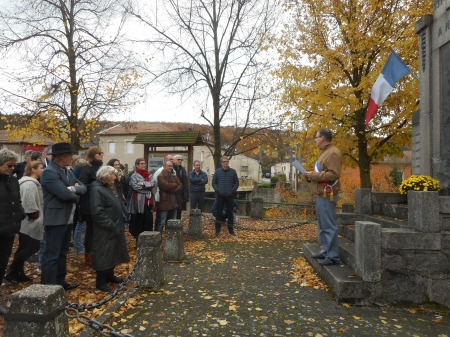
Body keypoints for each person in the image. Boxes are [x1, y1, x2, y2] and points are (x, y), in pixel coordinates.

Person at [40, 142, 86, 290]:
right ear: (61, 156)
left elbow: (83, 187)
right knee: (51, 254)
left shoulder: (67, 171)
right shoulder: (49, 172)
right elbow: (64, 195)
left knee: (62, 252)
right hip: (55, 219)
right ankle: (48, 286)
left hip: (68, 218)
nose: (72, 157)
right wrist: (74, 192)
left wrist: (72, 188)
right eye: (69, 155)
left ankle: (60, 282)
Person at [303, 128, 342, 266]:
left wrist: (313, 175)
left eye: (316, 137)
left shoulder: (333, 153)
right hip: (320, 193)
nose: (315, 139)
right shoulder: (325, 153)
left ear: (323, 138)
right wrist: (310, 177)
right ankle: (326, 251)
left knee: (328, 226)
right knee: (323, 226)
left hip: (327, 194)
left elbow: (333, 174)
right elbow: (323, 174)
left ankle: (333, 256)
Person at [90, 166, 130, 292]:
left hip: (114, 226)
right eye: (113, 175)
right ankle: (100, 281)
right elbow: (97, 212)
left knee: (113, 251)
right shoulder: (97, 190)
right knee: (103, 252)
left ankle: (110, 275)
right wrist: (111, 225)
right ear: (106, 176)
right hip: (105, 228)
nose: (116, 177)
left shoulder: (110, 187)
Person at [5, 161, 44, 284]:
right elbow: (29, 203)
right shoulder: (29, 184)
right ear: (33, 169)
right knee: (33, 246)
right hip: (28, 222)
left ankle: (19, 272)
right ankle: (11, 272)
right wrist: (36, 218)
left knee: (23, 247)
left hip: (27, 221)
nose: (43, 170)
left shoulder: (30, 183)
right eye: (41, 168)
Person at [0, 150, 24, 287]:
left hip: (9, 230)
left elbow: (17, 201)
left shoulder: (13, 180)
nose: (12, 168)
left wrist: (20, 214)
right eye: (9, 165)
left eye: (14, 166)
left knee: (2, 263)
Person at [78, 146, 104, 266]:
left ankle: (98, 252)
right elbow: (82, 185)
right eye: (99, 153)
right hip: (89, 204)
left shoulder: (101, 167)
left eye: (102, 153)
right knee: (91, 230)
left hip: (99, 202)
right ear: (92, 155)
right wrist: (96, 185)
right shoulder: (86, 169)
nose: (101, 155)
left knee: (99, 230)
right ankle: (88, 254)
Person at [128, 158, 156, 242]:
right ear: (137, 165)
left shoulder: (149, 175)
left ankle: (148, 241)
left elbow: (153, 184)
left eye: (144, 163)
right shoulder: (134, 175)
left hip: (149, 202)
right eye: (141, 163)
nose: (144, 165)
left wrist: (143, 184)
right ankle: (139, 241)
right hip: (139, 203)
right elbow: (136, 187)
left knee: (148, 222)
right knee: (139, 222)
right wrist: (148, 187)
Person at [212, 156, 239, 237]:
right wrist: (218, 190)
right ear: (221, 163)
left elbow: (236, 183)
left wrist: (232, 190)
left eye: (227, 161)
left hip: (230, 196)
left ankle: (231, 231)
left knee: (230, 214)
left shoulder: (233, 172)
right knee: (219, 214)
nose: (226, 163)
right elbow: (214, 183)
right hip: (220, 196)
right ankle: (217, 231)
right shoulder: (217, 172)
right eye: (224, 161)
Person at [155, 160, 182, 234]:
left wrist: (174, 188)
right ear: (164, 166)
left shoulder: (173, 175)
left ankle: (171, 238)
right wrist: (175, 185)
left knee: (172, 221)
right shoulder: (160, 176)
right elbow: (166, 186)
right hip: (165, 202)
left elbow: (181, 185)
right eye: (168, 166)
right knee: (162, 221)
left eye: (171, 166)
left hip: (175, 201)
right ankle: (158, 237)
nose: (170, 167)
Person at [173, 155, 189, 219]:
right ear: (174, 160)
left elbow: (185, 181)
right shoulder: (172, 169)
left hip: (182, 193)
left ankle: (178, 223)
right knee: (174, 210)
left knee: (180, 210)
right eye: (178, 159)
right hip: (175, 192)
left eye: (181, 160)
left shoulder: (183, 169)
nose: (180, 161)